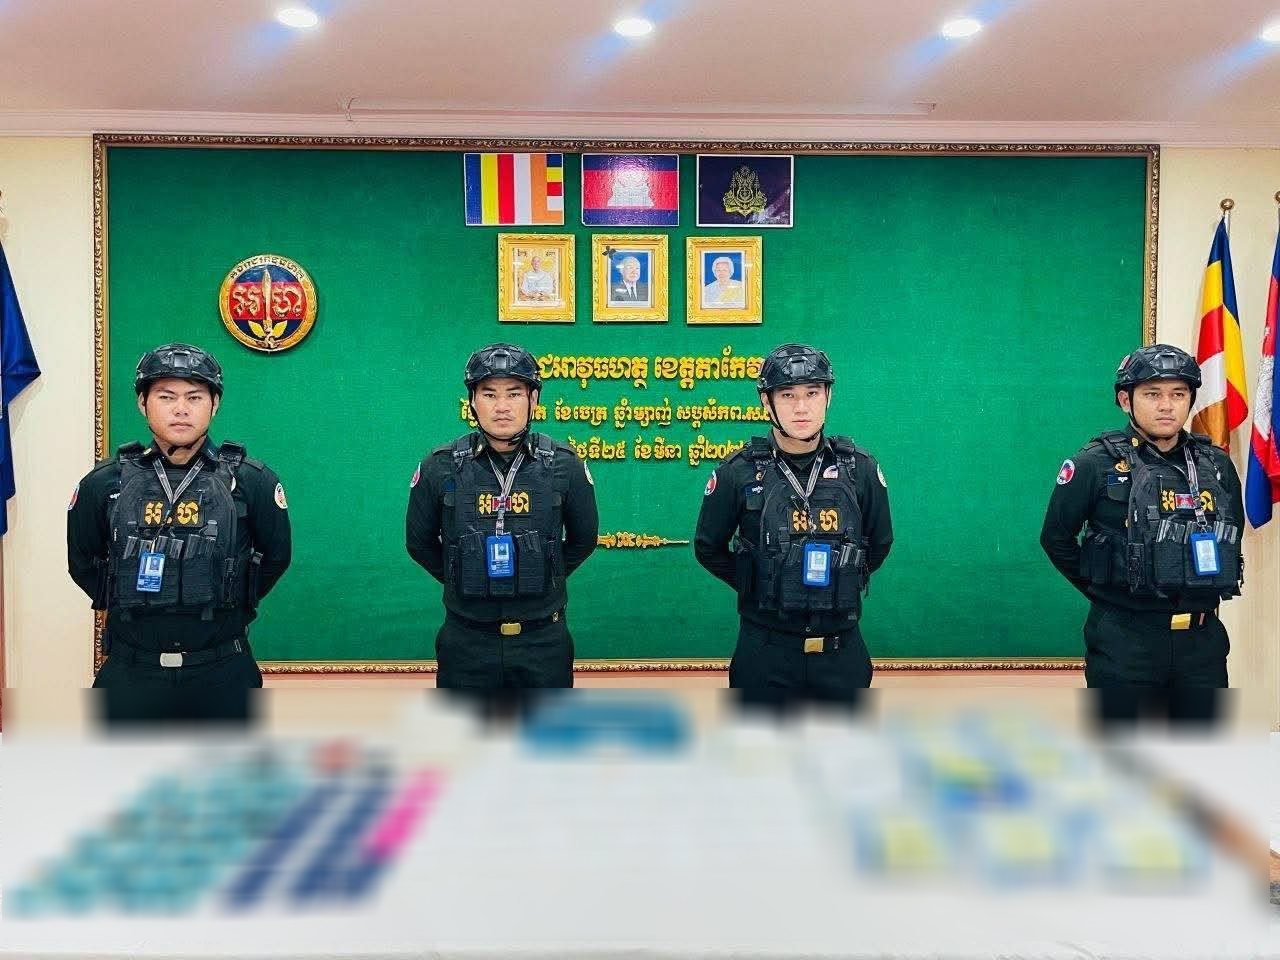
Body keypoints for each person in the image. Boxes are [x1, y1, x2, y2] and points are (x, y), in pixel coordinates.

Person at [67, 342, 292, 725]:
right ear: (143, 403)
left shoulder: (252, 481)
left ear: (214, 404)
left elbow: (276, 558)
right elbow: (83, 563)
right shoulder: (103, 483)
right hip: (130, 673)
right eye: (166, 396)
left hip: (223, 672)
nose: (181, 408)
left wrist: (222, 594)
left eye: (195, 397)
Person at [1040, 344, 1245, 725]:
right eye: (1152, 394)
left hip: (1202, 643)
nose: (1167, 406)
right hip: (1125, 642)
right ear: (1125, 400)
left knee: (1205, 754)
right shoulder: (1093, 464)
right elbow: (1056, 538)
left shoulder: (1215, 464)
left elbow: (1233, 531)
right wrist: (1107, 590)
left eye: (1178, 394)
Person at [694, 343, 893, 706]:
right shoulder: (737, 472)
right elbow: (708, 547)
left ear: (828, 396)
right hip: (765, 654)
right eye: (787, 395)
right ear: (766, 402)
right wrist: (761, 580)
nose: (801, 407)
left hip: (841, 653)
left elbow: (880, 542)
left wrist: (839, 579)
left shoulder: (860, 469)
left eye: (812, 393)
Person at [406, 343, 599, 691]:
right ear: (472, 401)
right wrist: (462, 574)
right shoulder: (439, 466)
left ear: (533, 400)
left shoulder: (566, 465)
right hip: (466, 641)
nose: (502, 406)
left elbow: (583, 540)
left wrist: (543, 571)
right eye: (489, 394)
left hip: (543, 642)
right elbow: (419, 543)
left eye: (514, 393)